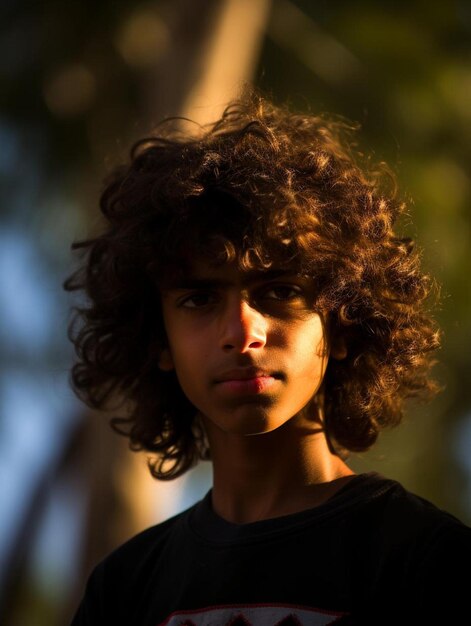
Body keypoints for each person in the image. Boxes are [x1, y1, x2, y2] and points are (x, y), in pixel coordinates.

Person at [65, 88, 471, 625]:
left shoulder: (429, 561)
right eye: (198, 299)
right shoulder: (125, 589)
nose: (241, 332)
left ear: (343, 322)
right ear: (159, 341)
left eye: (279, 291)